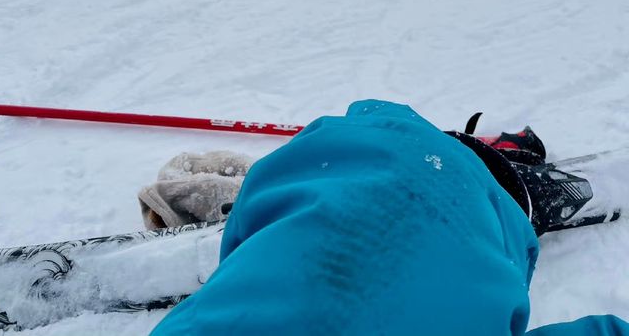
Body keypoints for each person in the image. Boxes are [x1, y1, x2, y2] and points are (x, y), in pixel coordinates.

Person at [150, 100, 629, 336]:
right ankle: (490, 169)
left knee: (466, 205)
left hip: (422, 174)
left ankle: (497, 174)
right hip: (355, 150)